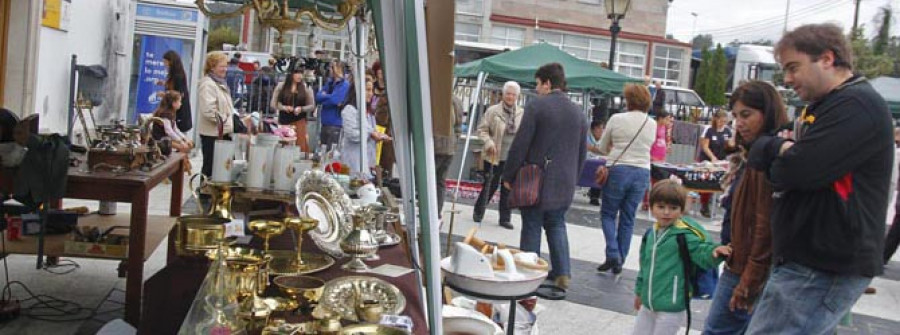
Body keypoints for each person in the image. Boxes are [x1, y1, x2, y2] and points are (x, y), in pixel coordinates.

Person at [744, 23, 892, 334]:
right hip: (813, 262)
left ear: (826, 58)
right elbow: (765, 158)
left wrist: (780, 153)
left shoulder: (856, 106)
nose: (787, 79)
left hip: (822, 265)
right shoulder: (832, 105)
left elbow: (795, 171)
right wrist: (778, 149)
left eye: (793, 67)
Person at [703, 81, 789, 334]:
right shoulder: (752, 154)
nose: (739, 122)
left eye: (746, 114)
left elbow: (764, 224)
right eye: (736, 116)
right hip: (739, 261)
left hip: (747, 266)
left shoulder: (766, 156)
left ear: (768, 112)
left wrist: (750, 276)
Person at [502, 63, 587, 290]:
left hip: (537, 180)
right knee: (557, 224)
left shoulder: (537, 107)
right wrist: (573, 178)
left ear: (548, 83)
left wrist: (509, 174)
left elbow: (521, 144)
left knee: (531, 224)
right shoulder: (578, 112)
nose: (537, 88)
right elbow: (582, 152)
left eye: (538, 84)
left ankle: (529, 275)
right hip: (565, 182)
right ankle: (562, 274)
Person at [633, 180, 731, 335]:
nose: (666, 212)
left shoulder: (684, 234)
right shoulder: (651, 233)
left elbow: (701, 252)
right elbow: (644, 266)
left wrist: (714, 253)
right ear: (651, 207)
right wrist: (639, 292)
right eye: (661, 207)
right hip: (648, 303)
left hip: (672, 305)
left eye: (673, 208)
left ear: (681, 209)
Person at [595, 83, 657, 275]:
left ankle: (612, 252)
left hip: (619, 170)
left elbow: (603, 148)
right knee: (628, 218)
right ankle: (619, 258)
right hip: (642, 171)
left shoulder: (617, 118)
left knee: (608, 213)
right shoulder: (651, 123)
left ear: (628, 100)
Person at [473, 81, 523, 230]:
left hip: (512, 156)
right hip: (494, 154)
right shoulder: (493, 111)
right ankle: (479, 211)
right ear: (503, 94)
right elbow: (481, 129)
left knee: (508, 187)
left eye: (514, 94)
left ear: (517, 97)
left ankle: (505, 218)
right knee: (491, 184)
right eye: (508, 93)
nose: (510, 97)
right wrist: (488, 142)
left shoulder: (521, 113)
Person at [196, 51, 236, 178]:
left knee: (222, 167)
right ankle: (205, 195)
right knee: (210, 169)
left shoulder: (219, 83)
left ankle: (216, 195)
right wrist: (226, 120)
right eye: (222, 66)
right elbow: (208, 111)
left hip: (221, 132)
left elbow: (225, 107)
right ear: (212, 67)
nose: (225, 69)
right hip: (212, 134)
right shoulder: (208, 84)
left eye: (226, 65)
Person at [340, 79, 391, 175]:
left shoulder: (369, 113)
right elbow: (353, 135)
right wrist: (371, 134)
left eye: (371, 90)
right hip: (354, 162)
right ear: (358, 91)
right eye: (367, 90)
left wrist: (380, 136)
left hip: (368, 162)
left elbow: (372, 131)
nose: (371, 93)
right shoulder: (349, 110)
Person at [698, 110, 734, 217]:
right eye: (720, 121)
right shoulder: (709, 130)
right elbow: (705, 146)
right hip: (708, 160)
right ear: (715, 119)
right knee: (707, 183)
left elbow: (730, 144)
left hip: (721, 161)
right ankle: (704, 205)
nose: (722, 123)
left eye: (724, 121)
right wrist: (712, 157)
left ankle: (721, 202)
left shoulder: (727, 131)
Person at [272, 68, 315, 152]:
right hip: (284, 120)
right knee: (284, 145)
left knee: (300, 144)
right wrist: (284, 107)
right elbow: (274, 103)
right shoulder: (281, 86)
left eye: (301, 73)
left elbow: (312, 105)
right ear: (291, 74)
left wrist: (301, 109)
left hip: (299, 120)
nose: (299, 76)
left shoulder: (306, 87)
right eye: (297, 73)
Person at [152, 91, 195, 174]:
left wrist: (185, 139)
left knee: (188, 144)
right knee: (184, 147)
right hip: (161, 140)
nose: (181, 103)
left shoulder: (171, 113)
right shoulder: (165, 114)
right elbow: (169, 131)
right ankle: (175, 168)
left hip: (167, 139)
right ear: (173, 103)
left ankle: (180, 166)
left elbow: (175, 129)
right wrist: (180, 142)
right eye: (179, 101)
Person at [435, 96, 464, 215]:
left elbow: (458, 125)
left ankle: (435, 211)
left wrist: (455, 141)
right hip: (444, 147)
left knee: (437, 180)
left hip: (443, 149)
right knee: (438, 181)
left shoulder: (453, 101)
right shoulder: (452, 100)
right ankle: (435, 211)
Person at [316, 61, 350, 150]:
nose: (329, 70)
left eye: (332, 68)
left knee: (332, 153)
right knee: (322, 152)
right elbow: (318, 97)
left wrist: (325, 97)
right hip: (324, 123)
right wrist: (329, 98)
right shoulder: (330, 83)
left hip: (336, 124)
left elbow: (335, 100)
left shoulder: (344, 85)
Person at [158, 51, 192, 132]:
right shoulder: (175, 74)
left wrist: (165, 95)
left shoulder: (178, 76)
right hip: (174, 111)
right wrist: (164, 83)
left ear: (171, 62)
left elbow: (179, 93)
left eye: (165, 62)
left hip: (179, 114)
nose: (164, 64)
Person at [586, 119, 605, 206]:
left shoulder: (603, 140)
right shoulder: (586, 138)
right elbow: (589, 148)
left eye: (602, 128)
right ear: (593, 129)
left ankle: (595, 196)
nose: (601, 130)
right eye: (599, 128)